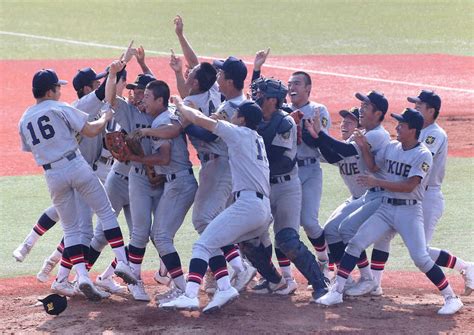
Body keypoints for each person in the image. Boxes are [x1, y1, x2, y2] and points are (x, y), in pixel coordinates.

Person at [315, 108, 464, 315]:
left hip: (409, 212)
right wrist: (363, 147)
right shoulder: (393, 147)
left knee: (420, 257)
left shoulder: (422, 155)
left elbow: (409, 185)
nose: (397, 128)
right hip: (386, 207)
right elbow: (374, 166)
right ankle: (337, 291)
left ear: (413, 130)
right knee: (356, 242)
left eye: (401, 125)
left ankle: (451, 297)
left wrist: (377, 182)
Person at [18, 68, 136, 300]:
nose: (60, 90)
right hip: (76, 166)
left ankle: (81, 276)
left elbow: (29, 148)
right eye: (57, 87)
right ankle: (122, 262)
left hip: (52, 175)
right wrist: (105, 117)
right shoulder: (60, 107)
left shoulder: (24, 119)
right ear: (50, 90)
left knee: (71, 229)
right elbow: (91, 130)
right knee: (106, 213)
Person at [160, 98, 272, 313]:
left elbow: (200, 121)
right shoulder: (256, 138)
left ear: (242, 118)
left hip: (248, 205)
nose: (232, 115)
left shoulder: (238, 133)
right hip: (261, 208)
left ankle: (190, 295)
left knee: (202, 245)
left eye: (236, 113)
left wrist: (181, 106)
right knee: (214, 241)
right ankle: (225, 287)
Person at [249, 77, 328, 299]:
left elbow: (282, 160)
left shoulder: (285, 122)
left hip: (285, 187)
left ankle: (320, 283)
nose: (257, 97)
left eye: (261, 94)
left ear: (272, 100)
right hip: (262, 186)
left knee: (287, 240)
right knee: (248, 239)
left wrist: (256, 154)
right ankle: (272, 279)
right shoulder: (253, 119)